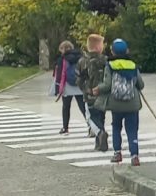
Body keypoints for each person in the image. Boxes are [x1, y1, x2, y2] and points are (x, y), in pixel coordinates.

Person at [95, 37, 144, 166]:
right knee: (132, 129)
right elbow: (141, 84)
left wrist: (98, 89)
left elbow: (107, 85)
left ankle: (117, 153)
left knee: (116, 127)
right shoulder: (132, 65)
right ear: (127, 51)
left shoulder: (110, 65)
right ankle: (134, 156)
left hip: (116, 102)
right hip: (132, 103)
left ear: (113, 52)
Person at [76, 33, 109, 152]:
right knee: (101, 116)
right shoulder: (105, 60)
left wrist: (84, 89)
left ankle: (100, 133)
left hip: (89, 94)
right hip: (103, 93)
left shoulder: (83, 61)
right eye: (102, 45)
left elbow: (78, 79)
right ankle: (100, 143)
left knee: (91, 117)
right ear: (97, 47)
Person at [52, 40, 87, 135]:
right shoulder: (80, 57)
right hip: (79, 85)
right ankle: (90, 125)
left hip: (67, 85)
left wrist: (58, 89)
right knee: (82, 106)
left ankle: (65, 128)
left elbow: (60, 75)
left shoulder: (63, 59)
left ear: (62, 49)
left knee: (66, 107)